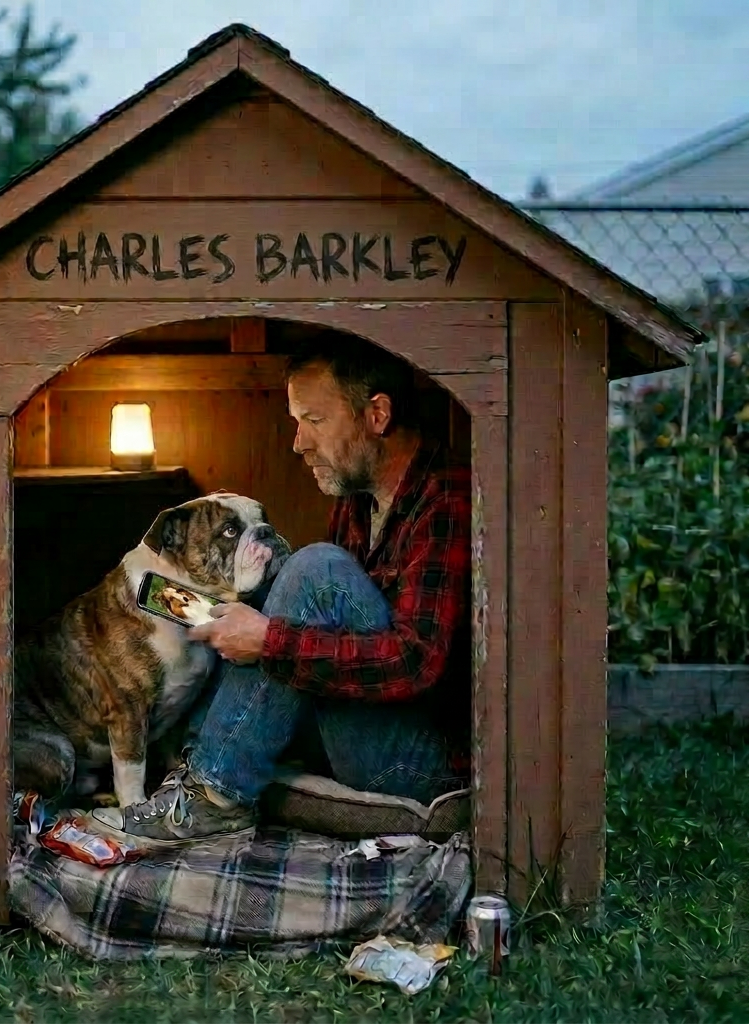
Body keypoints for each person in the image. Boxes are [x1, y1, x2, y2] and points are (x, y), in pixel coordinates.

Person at [92, 335, 472, 848]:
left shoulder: (445, 500)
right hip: (347, 727)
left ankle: (215, 794)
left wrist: (271, 639)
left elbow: (416, 662)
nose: (298, 443)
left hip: (413, 762)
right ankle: (196, 772)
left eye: (313, 421)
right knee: (267, 588)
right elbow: (329, 634)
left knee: (312, 568)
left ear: (377, 415)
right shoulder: (358, 501)